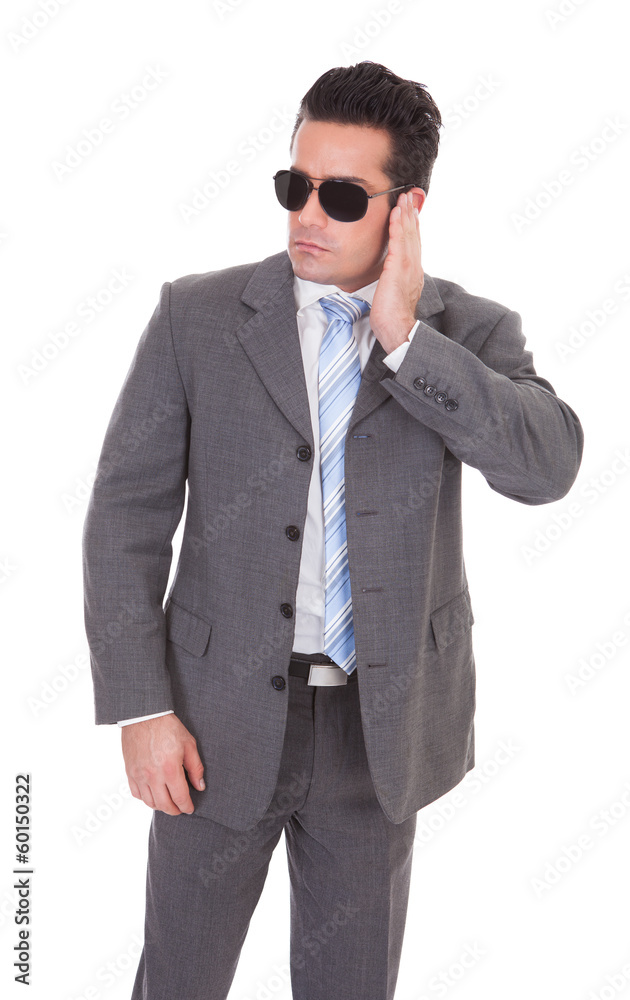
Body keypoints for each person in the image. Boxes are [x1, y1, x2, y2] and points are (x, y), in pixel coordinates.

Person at [82, 60, 583, 1000]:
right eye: (296, 186)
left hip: (378, 734)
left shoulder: (468, 333)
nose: (308, 215)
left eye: (343, 196)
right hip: (211, 724)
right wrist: (142, 709)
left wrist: (406, 340)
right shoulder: (197, 317)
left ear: (406, 209)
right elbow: (123, 518)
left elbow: (547, 468)